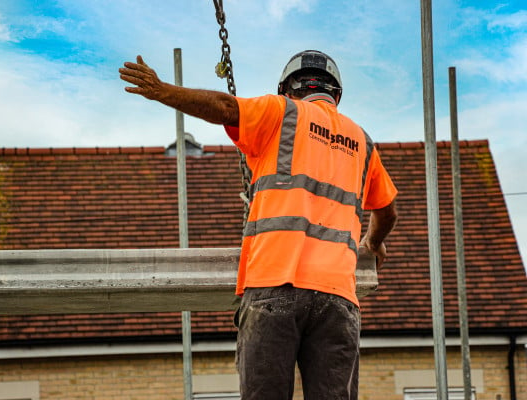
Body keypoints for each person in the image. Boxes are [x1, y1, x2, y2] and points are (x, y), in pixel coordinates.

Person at [119, 50, 398, 400]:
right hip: (338, 298)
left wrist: (162, 90)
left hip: (275, 285)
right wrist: (374, 241)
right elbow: (387, 212)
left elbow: (224, 106)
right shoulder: (363, 142)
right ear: (336, 94)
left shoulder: (282, 112)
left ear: (287, 89)